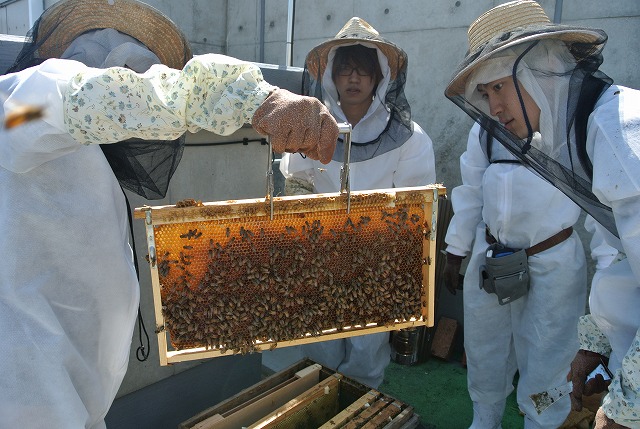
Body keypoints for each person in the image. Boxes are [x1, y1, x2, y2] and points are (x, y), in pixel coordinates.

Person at [0, 0, 339, 427]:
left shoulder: (76, 147)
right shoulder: (18, 108)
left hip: (79, 392)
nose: (122, 66)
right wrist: (255, 97)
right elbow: (87, 99)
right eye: (110, 56)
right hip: (23, 393)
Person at [443, 1, 640, 428]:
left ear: (541, 66)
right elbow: (472, 190)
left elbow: (617, 246)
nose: (493, 106)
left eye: (499, 86)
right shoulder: (570, 126)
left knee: (549, 357)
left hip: (553, 259)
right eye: (486, 92)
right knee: (488, 351)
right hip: (495, 259)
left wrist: (630, 405)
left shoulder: (615, 128)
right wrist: (456, 248)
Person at [279, 17, 436, 388]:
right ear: (330, 76)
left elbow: (415, 212)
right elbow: (296, 187)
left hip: (375, 260)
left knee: (366, 353)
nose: (353, 79)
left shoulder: (410, 139)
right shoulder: (310, 130)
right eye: (345, 69)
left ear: (380, 78)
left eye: (363, 71)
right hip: (316, 257)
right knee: (320, 351)